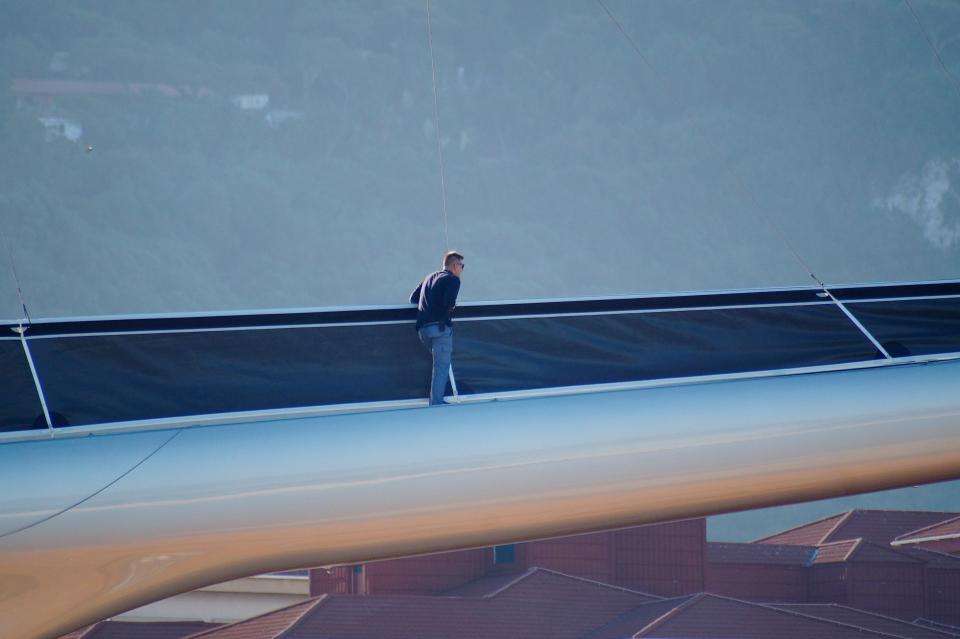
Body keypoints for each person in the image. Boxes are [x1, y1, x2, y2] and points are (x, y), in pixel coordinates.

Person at [410, 251, 464, 405]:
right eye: (462, 266)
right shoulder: (454, 280)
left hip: (423, 330)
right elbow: (449, 302)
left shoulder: (429, 277)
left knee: (438, 364)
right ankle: (436, 404)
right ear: (455, 266)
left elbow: (413, 298)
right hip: (440, 329)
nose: (462, 270)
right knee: (441, 366)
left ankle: (436, 401)